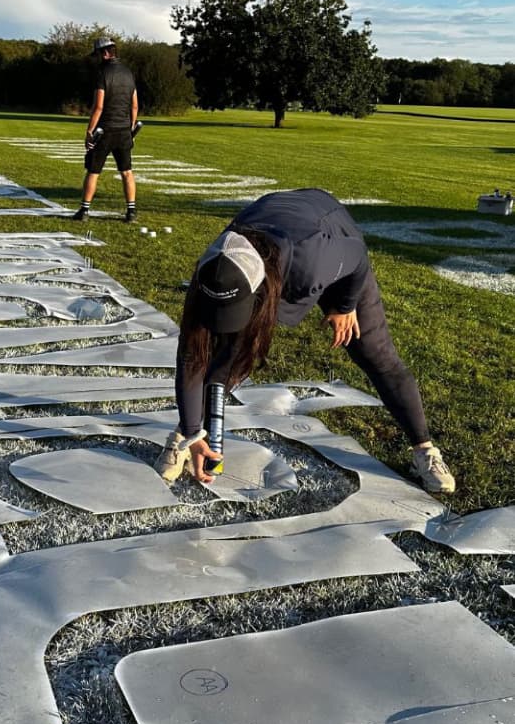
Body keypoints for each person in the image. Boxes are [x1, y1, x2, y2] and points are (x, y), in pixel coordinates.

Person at [156, 188, 455, 495]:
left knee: (375, 353)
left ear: (262, 291)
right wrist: (193, 431)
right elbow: (192, 357)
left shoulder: (311, 259)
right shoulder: (216, 272)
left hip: (332, 243)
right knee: (228, 349)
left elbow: (356, 256)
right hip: (274, 244)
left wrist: (345, 306)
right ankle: (189, 433)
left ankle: (425, 449)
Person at [72, 37, 139, 224]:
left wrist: (89, 131)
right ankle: (131, 211)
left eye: (99, 54)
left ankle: (84, 210)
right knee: (127, 171)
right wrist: (131, 127)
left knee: (93, 172)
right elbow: (134, 106)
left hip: (104, 131)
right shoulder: (128, 73)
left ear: (106, 52)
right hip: (124, 130)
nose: (98, 58)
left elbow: (98, 106)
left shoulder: (102, 74)